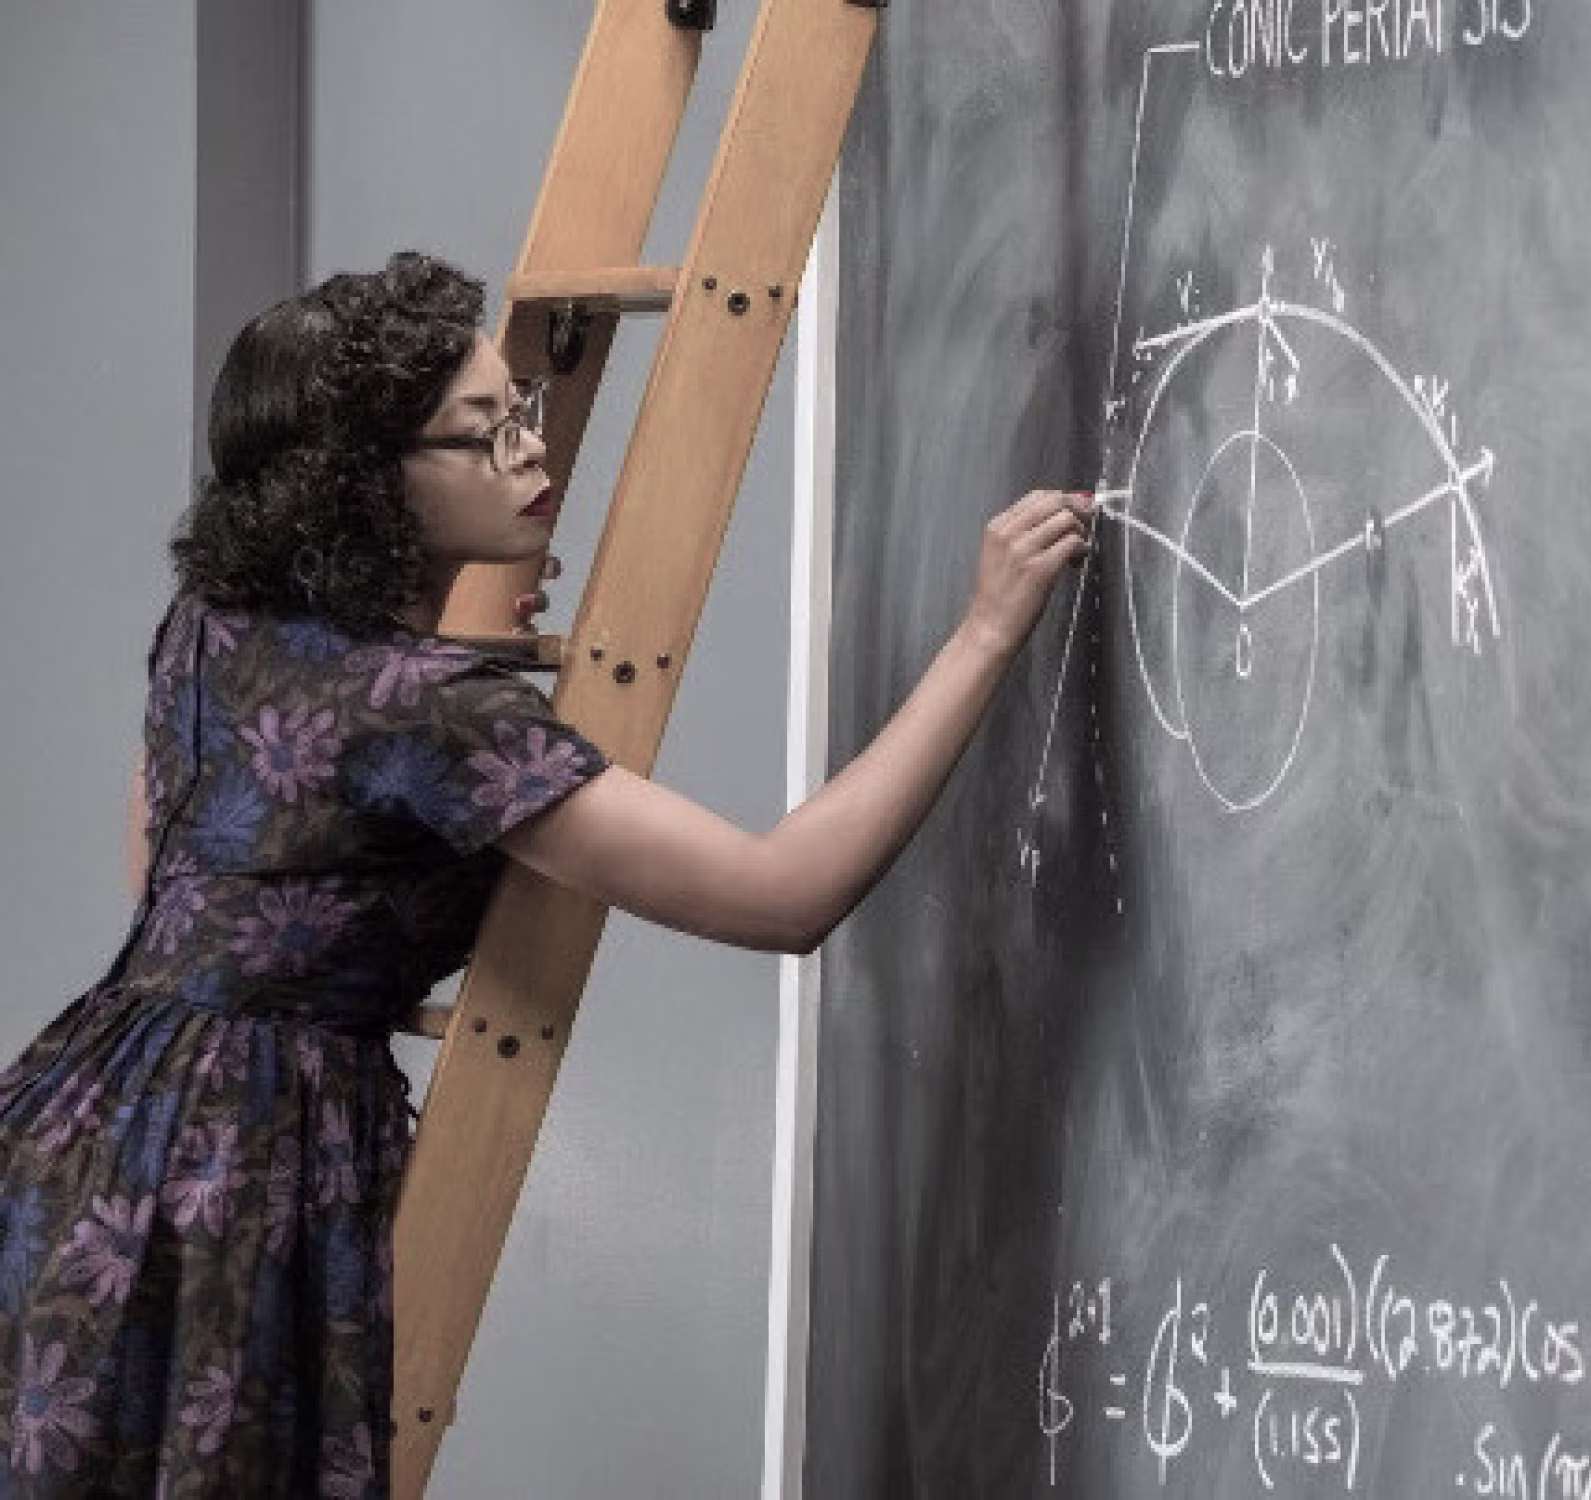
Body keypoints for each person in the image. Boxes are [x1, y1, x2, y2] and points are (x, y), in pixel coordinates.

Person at [0, 250, 1091, 1497]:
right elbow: (787, 893)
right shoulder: (437, 718)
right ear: (362, 487)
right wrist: (988, 632)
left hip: (79, 1121)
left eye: (519, 410)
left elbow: (168, 853)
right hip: (232, 1185)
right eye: (484, 434)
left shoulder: (215, 625)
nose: (532, 452)